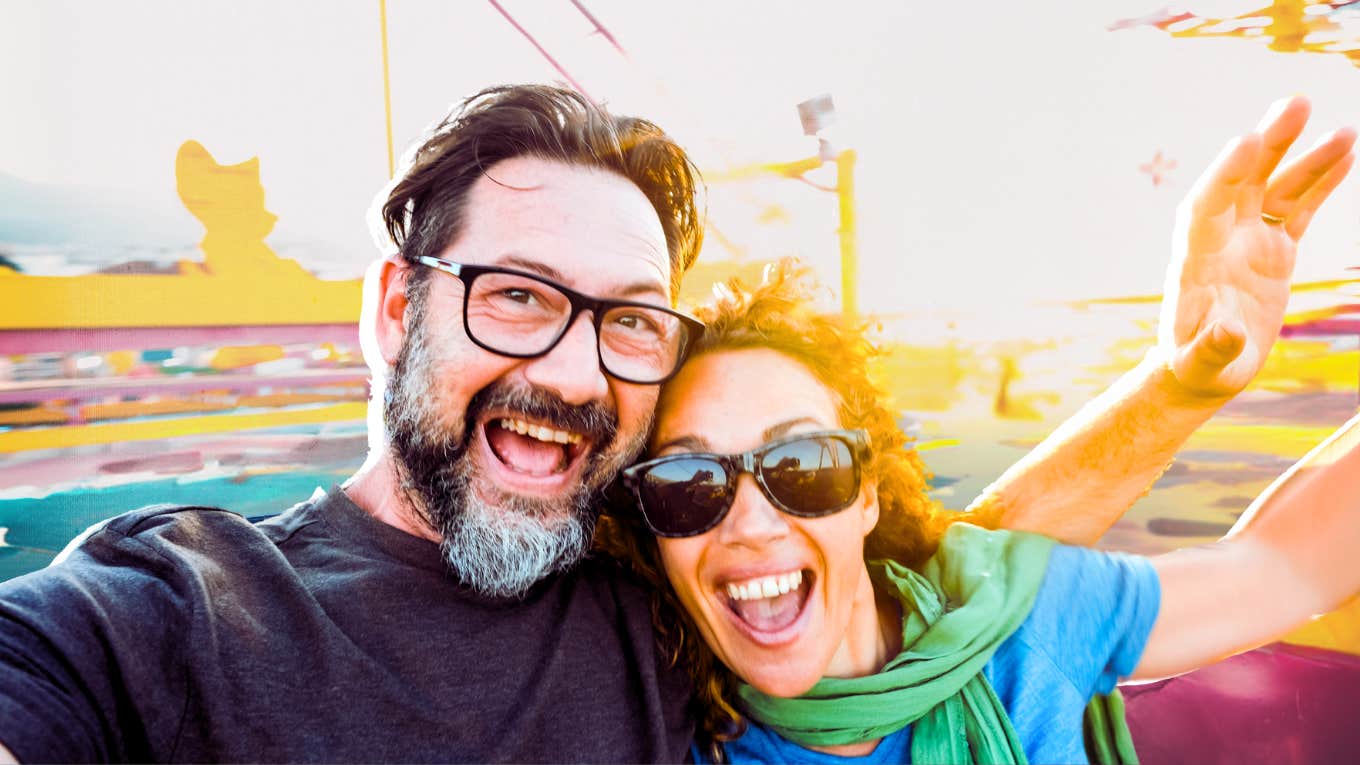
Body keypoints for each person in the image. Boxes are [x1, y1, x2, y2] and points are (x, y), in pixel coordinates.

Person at [0, 84, 1349, 762]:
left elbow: (940, 606)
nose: (576, 375)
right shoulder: (161, 613)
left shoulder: (658, 585)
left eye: (630, 318)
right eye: (520, 296)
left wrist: (1183, 379)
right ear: (394, 305)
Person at [601, 256, 1360, 764]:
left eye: (803, 465)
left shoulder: (1019, 621)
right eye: (688, 483)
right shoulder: (668, 740)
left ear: (866, 492)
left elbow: (1287, 564)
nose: (751, 522)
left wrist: (1191, 373)